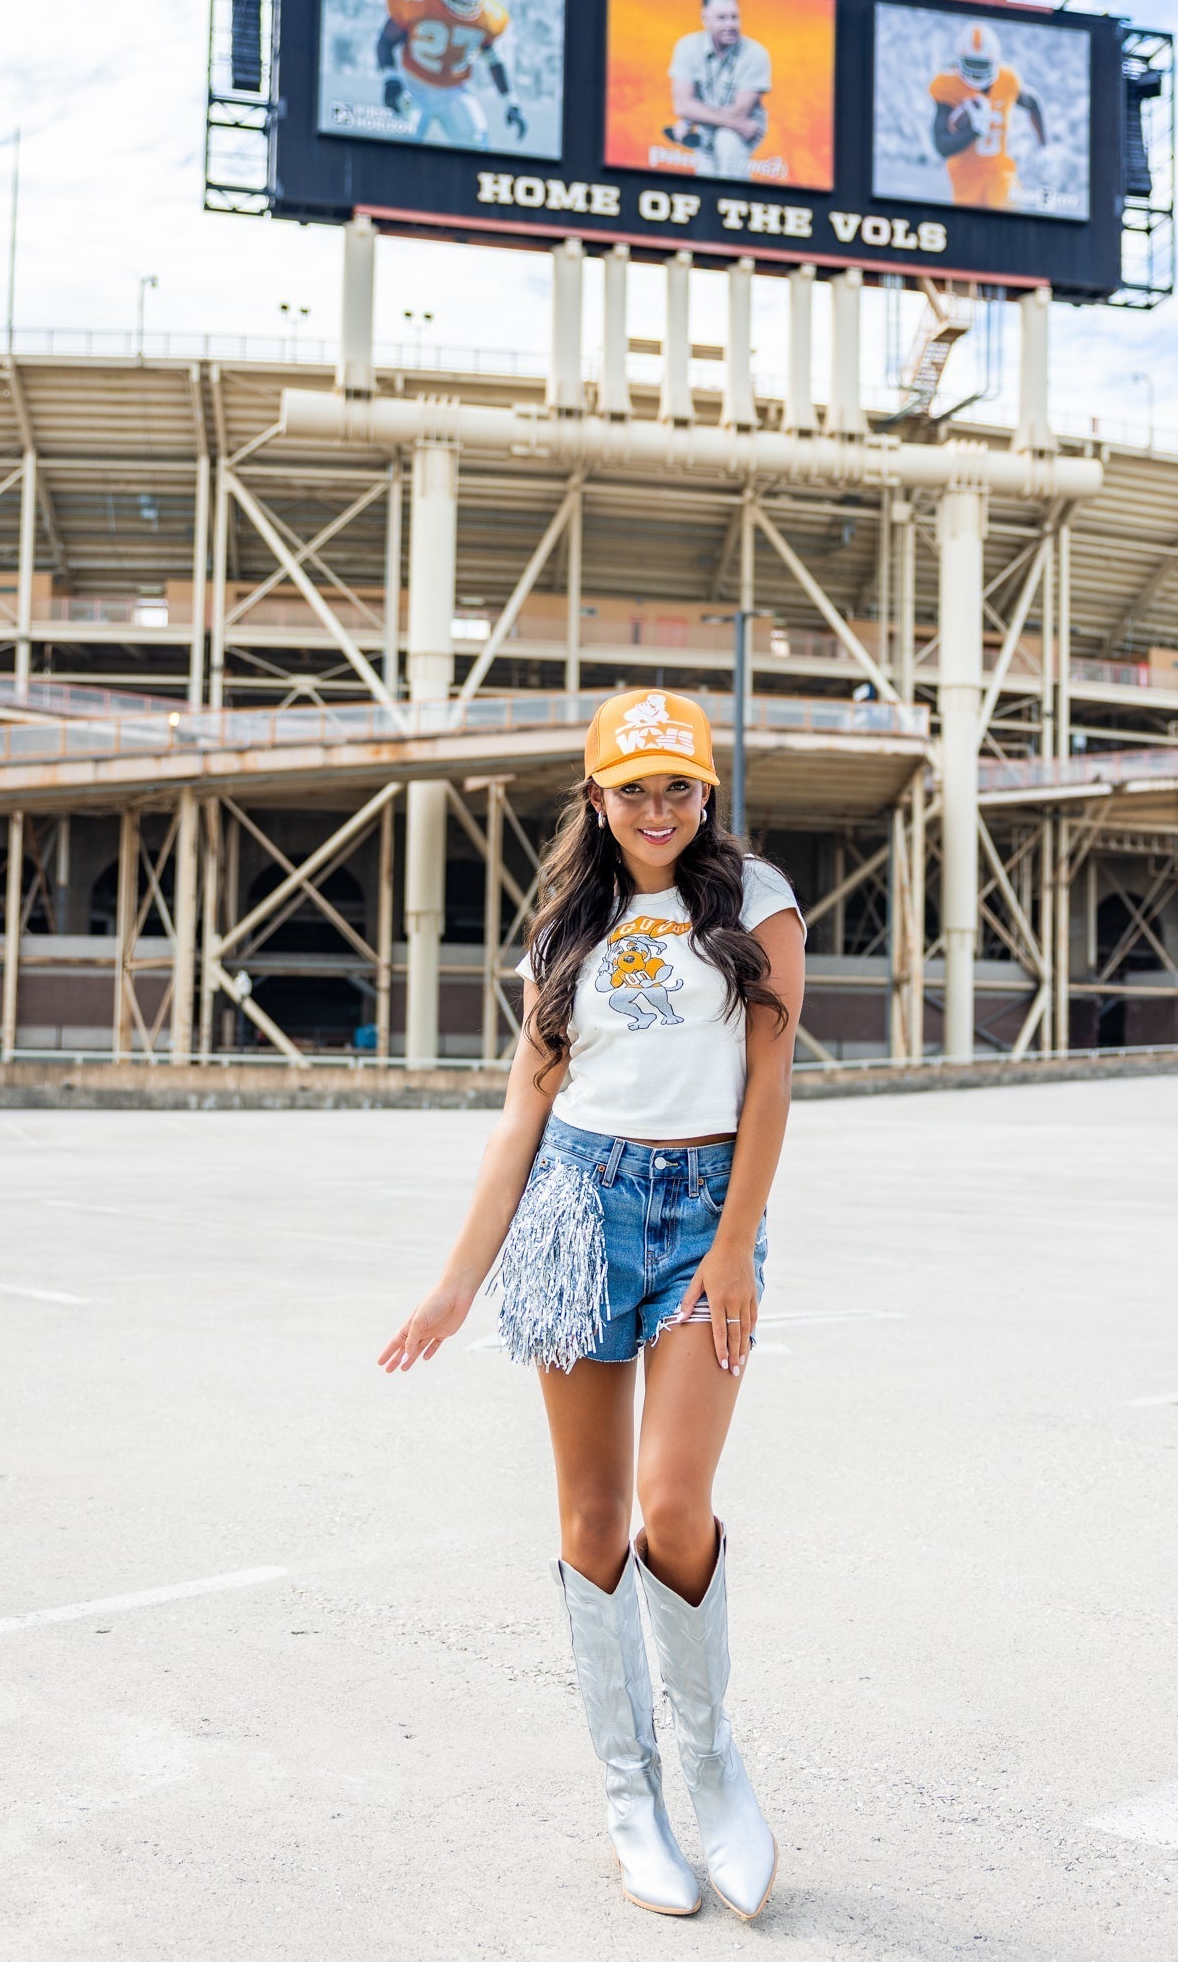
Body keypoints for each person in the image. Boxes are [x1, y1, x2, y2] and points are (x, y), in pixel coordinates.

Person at [379, 687, 805, 1922]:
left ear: (707, 793)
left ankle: (714, 1771)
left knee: (676, 1503)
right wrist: (458, 1279)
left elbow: (772, 1084)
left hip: (706, 1214)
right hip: (578, 1205)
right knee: (593, 1510)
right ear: (597, 795)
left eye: (679, 785)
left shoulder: (757, 903)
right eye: (635, 787)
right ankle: (633, 1801)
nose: (658, 807)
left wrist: (735, 1247)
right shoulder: (566, 928)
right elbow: (524, 1113)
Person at [376, 0, 527, 151]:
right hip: (412, 85)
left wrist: (511, 101)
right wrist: (391, 79)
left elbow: (493, 59)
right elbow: (386, 41)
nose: (468, 1)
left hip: (454, 91)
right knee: (398, 149)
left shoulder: (488, 15)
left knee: (478, 145)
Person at [930, 21, 1046, 211]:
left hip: (999, 171)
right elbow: (942, 145)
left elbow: (1033, 103)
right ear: (959, 61)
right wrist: (975, 131)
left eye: (982, 64)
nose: (976, 71)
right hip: (964, 179)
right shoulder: (947, 86)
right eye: (971, 63)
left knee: (1008, 210)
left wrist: (1044, 147)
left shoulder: (1007, 80)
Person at [666, 0, 771, 181]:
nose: (730, 25)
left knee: (727, 141)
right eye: (722, 18)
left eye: (734, 17)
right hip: (717, 127)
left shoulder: (756, 54)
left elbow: (740, 111)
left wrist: (692, 117)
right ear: (705, 19)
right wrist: (690, 118)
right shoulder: (687, 46)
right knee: (705, 174)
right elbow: (682, 105)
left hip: (741, 130)